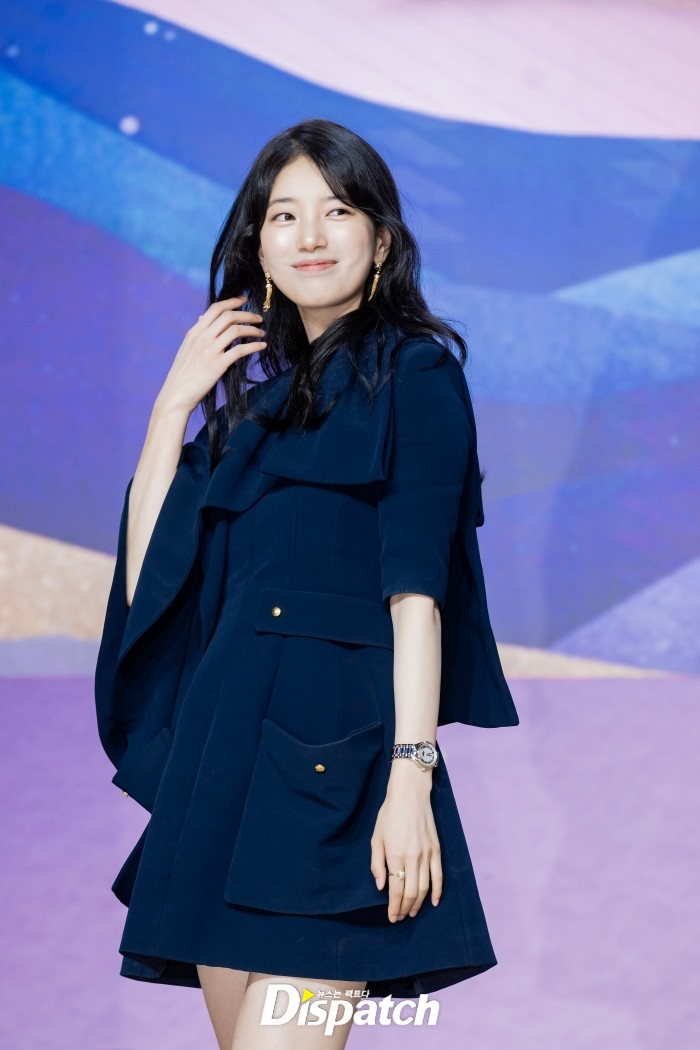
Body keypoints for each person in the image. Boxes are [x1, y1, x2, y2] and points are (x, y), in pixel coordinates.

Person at [94, 117, 519, 1049]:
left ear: (382, 241)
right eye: (284, 216)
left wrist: (409, 779)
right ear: (260, 247)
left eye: (337, 210)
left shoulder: (416, 375)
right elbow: (151, 582)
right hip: (222, 771)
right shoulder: (252, 411)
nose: (311, 235)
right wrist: (171, 407)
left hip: (339, 783)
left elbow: (418, 599)